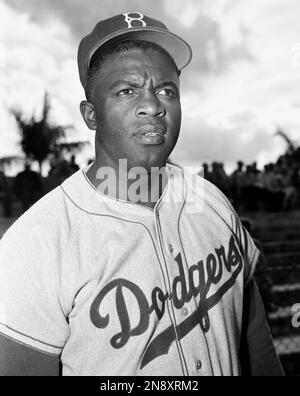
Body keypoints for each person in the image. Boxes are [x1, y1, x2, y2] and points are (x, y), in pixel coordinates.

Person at [0, 12, 283, 376]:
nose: (153, 105)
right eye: (127, 90)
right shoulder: (37, 242)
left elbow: (254, 338)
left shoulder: (213, 203)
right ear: (90, 114)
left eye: (166, 90)